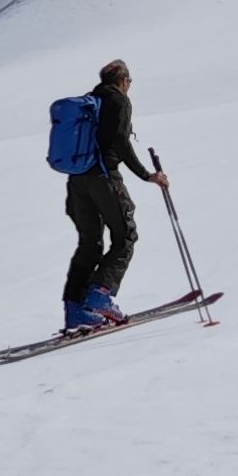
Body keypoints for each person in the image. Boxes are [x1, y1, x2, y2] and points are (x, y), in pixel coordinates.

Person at [62, 59, 168, 332]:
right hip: (104, 178)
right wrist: (147, 175)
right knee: (125, 235)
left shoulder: (90, 101)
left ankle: (76, 309)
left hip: (77, 181)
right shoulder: (118, 100)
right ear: (122, 81)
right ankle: (101, 294)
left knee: (90, 244)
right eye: (129, 80)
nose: (130, 85)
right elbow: (120, 142)